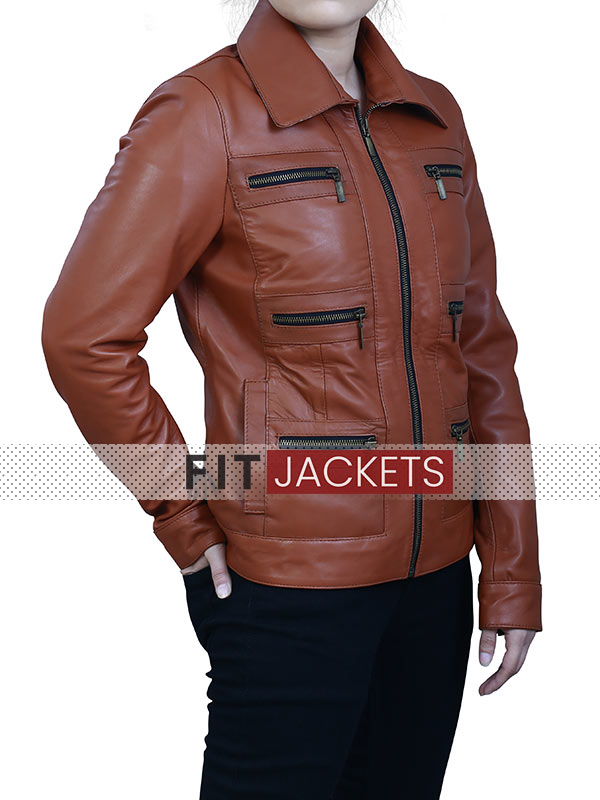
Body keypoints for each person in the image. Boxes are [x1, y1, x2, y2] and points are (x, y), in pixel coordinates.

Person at [41, 0, 543, 797]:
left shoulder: (435, 116)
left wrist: (513, 569)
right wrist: (182, 515)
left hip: (437, 584)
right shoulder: (201, 113)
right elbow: (84, 338)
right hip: (286, 591)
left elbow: (480, 352)